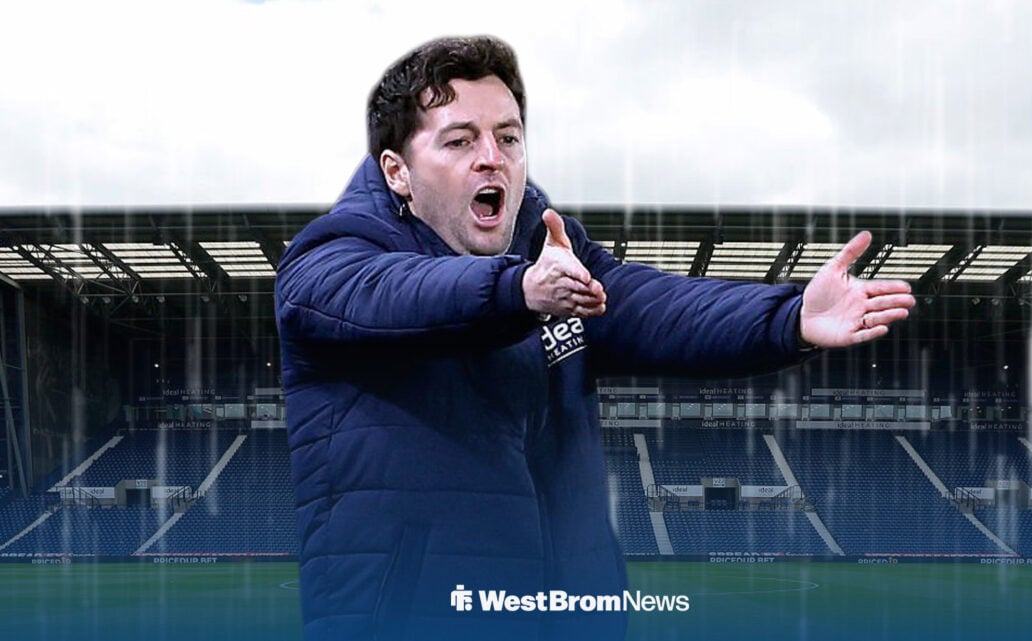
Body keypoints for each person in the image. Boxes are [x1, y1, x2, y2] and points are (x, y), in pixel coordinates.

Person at [274, 35, 914, 641]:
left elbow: (657, 304)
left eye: (508, 137)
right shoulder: (330, 260)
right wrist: (517, 291)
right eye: (459, 141)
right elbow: (394, 293)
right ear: (397, 172)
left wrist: (789, 315)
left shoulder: (553, 252)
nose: (492, 156)